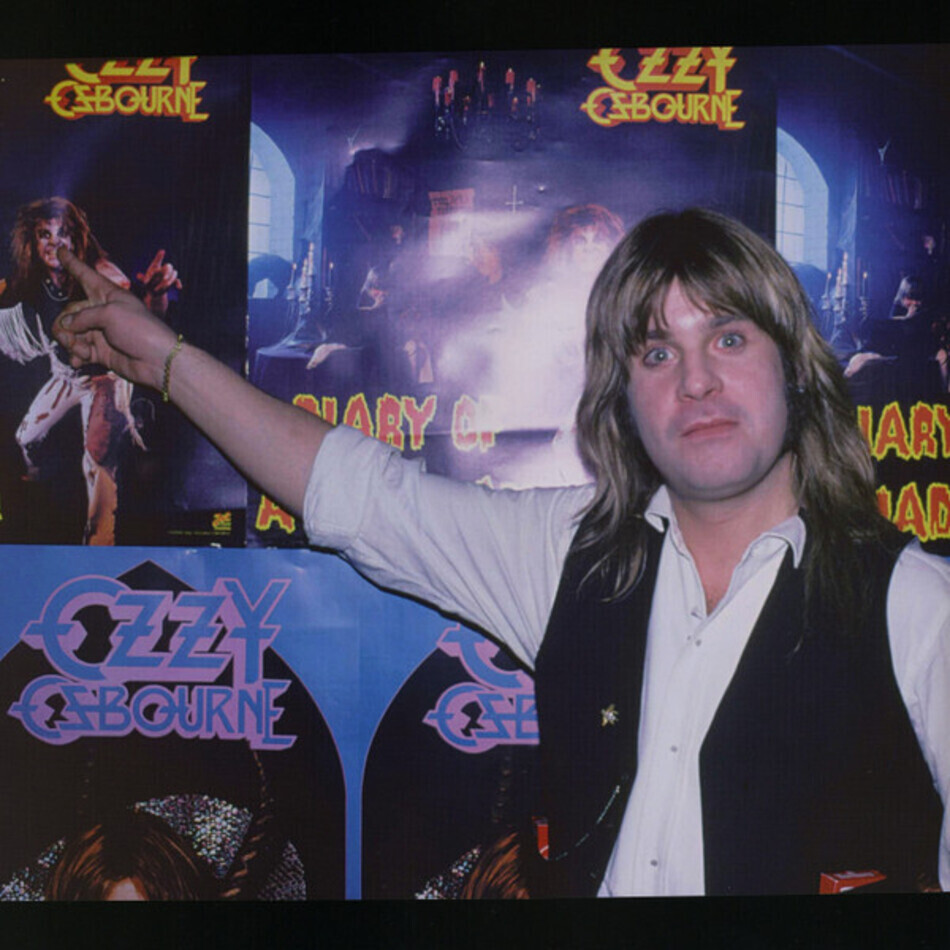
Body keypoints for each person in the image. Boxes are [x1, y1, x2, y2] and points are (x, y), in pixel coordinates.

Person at [52, 208, 949, 896]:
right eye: (656, 353)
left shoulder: (916, 608)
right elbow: (357, 495)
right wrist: (160, 355)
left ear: (795, 367)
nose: (697, 380)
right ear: (623, 398)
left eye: (729, 337)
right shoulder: (571, 556)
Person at [0, 197, 179, 544]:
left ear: (77, 238)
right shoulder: (32, 277)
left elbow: (140, 315)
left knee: (99, 460)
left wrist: (154, 295)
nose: (55, 243)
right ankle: (39, 487)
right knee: (26, 438)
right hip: (66, 375)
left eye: (63, 233)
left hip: (105, 380)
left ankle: (99, 545)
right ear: (33, 241)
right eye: (45, 234)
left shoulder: (100, 273)